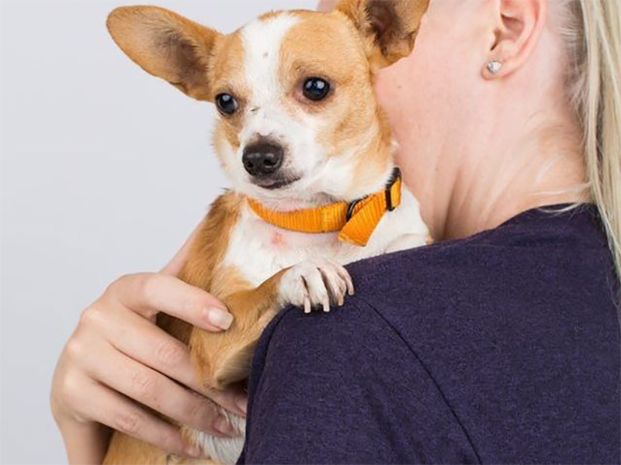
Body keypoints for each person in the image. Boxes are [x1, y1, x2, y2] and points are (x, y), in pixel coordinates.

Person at [51, 0, 621, 463]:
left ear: (502, 33)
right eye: (232, 103)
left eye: (315, 87)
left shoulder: (343, 327)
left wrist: (83, 444)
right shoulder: (598, 290)